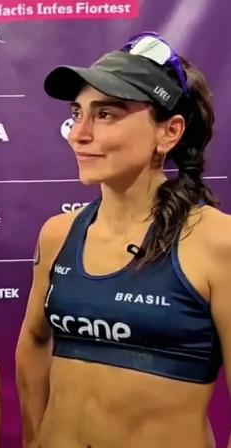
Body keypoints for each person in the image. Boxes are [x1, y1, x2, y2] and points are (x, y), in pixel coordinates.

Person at [16, 32, 231, 448]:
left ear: (169, 132)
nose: (78, 133)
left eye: (106, 114)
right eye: (76, 113)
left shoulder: (218, 242)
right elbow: (35, 339)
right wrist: (33, 436)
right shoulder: (58, 233)